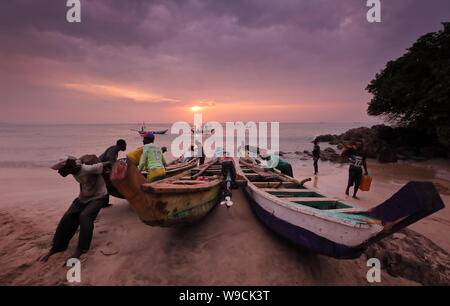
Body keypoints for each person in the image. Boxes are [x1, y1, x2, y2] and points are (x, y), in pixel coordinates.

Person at [41, 156, 111, 262]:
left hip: (99, 197)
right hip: (83, 197)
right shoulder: (75, 168)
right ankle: (58, 246)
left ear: (68, 167)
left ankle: (82, 248)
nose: (59, 173)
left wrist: (112, 174)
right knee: (67, 217)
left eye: (60, 170)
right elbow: (80, 174)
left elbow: (108, 163)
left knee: (85, 216)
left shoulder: (88, 168)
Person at [99, 139, 126, 207]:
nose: (125, 147)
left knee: (105, 185)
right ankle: (103, 203)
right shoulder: (114, 150)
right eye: (125, 145)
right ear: (121, 145)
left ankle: (104, 203)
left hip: (102, 168)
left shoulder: (114, 149)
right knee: (106, 184)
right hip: (100, 169)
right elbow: (111, 161)